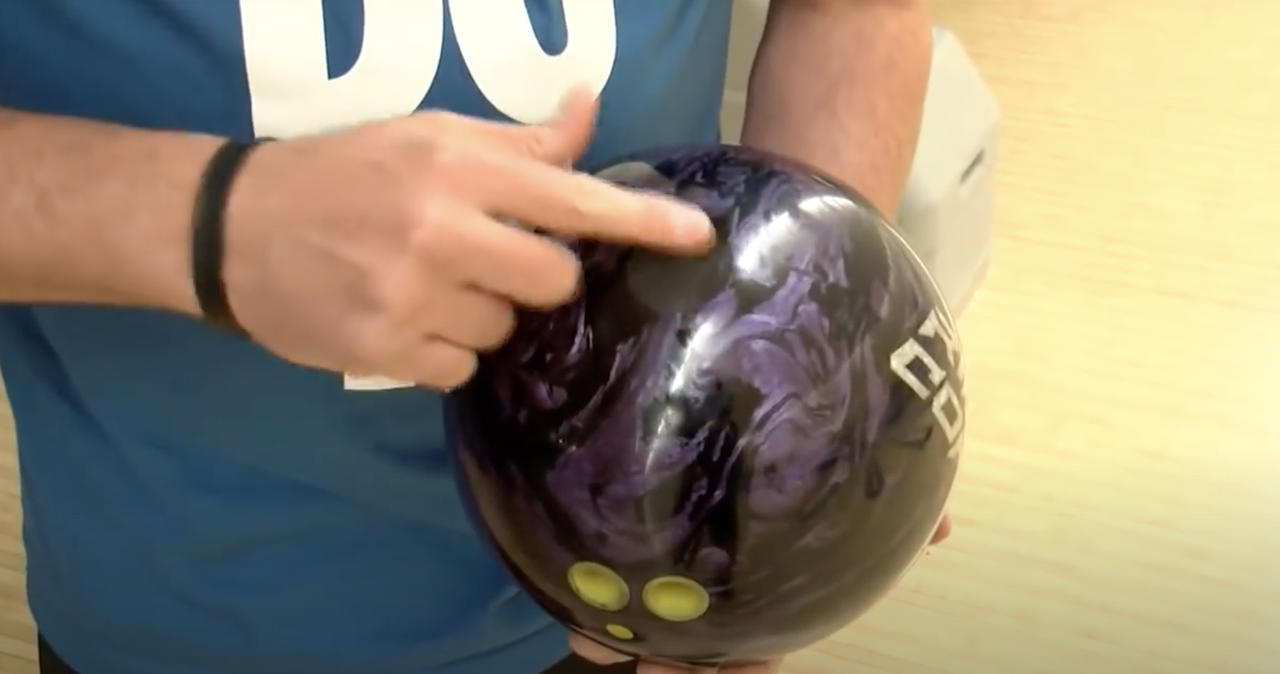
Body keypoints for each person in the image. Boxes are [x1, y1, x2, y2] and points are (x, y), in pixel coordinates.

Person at [0, 1, 947, 673]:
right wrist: (210, 224)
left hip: (622, 584)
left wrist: (798, 371)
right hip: (181, 612)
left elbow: (856, 11)